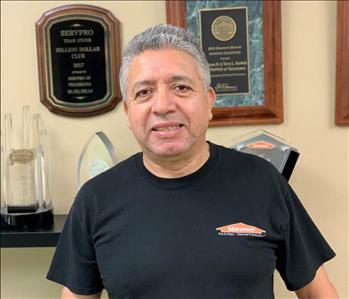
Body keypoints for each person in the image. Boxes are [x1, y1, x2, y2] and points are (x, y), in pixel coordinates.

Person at [47, 24, 339, 299]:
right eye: (144, 92)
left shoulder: (263, 181)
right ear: (128, 112)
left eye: (181, 87)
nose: (162, 106)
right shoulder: (96, 198)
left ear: (209, 101)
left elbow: (318, 291)